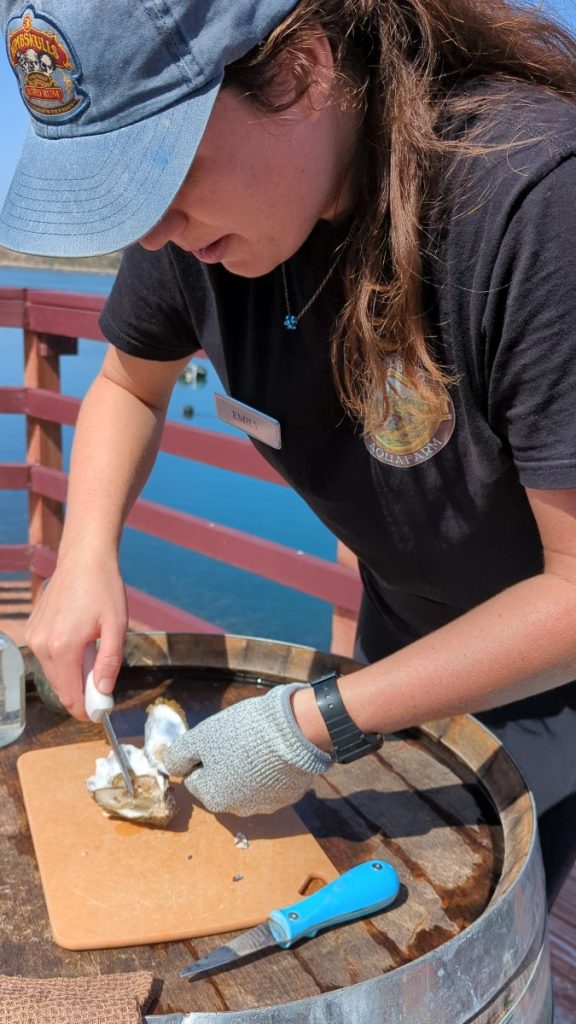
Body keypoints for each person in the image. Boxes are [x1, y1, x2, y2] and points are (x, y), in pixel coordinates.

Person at [2, 0, 576, 908]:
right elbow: (128, 386)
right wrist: (84, 557)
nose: (150, 233)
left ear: (305, 70)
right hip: (413, 676)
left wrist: (317, 723)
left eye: (159, 172)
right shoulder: (195, 226)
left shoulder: (533, 197)